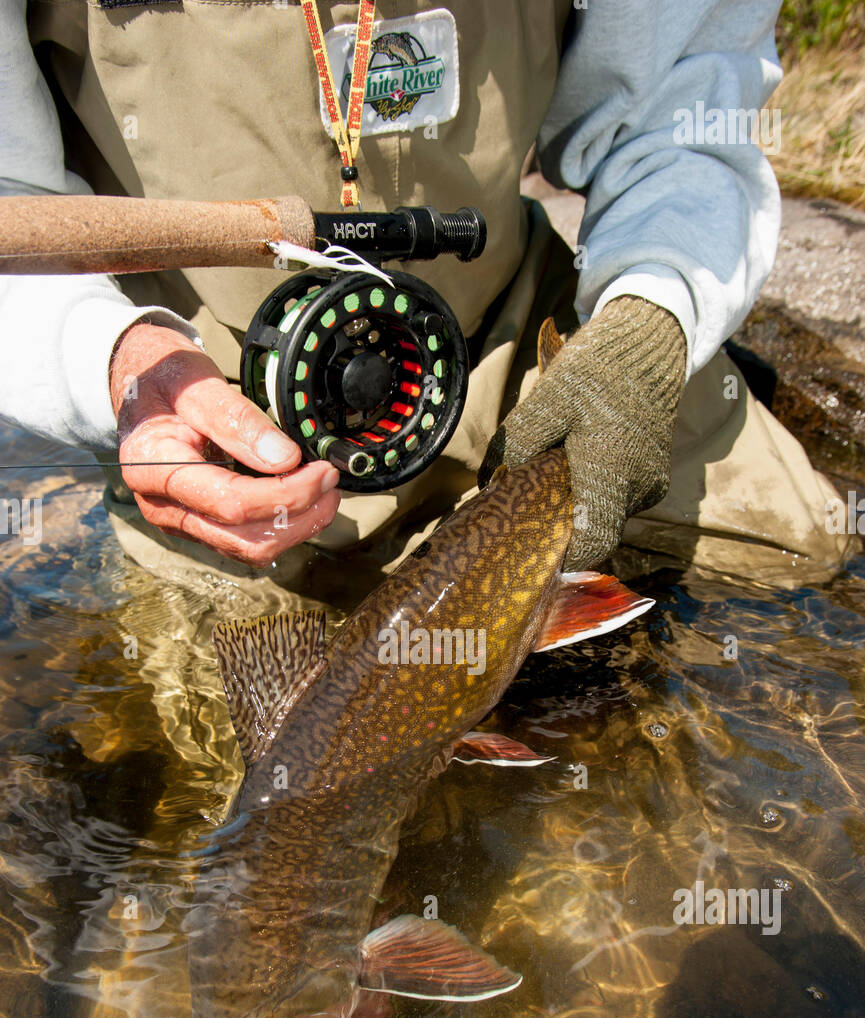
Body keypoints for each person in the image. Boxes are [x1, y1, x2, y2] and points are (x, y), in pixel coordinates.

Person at [0, 0, 854, 614]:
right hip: (212, 412)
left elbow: (682, 120)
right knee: (260, 787)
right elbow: (10, 203)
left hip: (532, 338)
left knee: (800, 555)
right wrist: (119, 364)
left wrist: (648, 325)